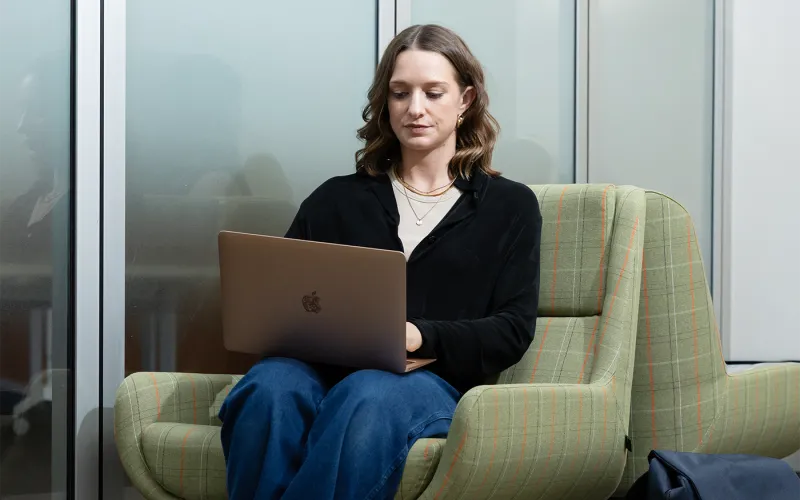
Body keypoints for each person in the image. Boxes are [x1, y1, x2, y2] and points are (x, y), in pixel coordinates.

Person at [219, 24, 542, 500]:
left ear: (465, 100)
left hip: (432, 385)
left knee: (367, 393)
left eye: (434, 93)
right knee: (268, 387)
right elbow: (282, 302)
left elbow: (512, 328)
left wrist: (419, 334)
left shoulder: (508, 207)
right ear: (384, 101)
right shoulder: (334, 199)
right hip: (319, 368)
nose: (415, 109)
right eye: (399, 93)